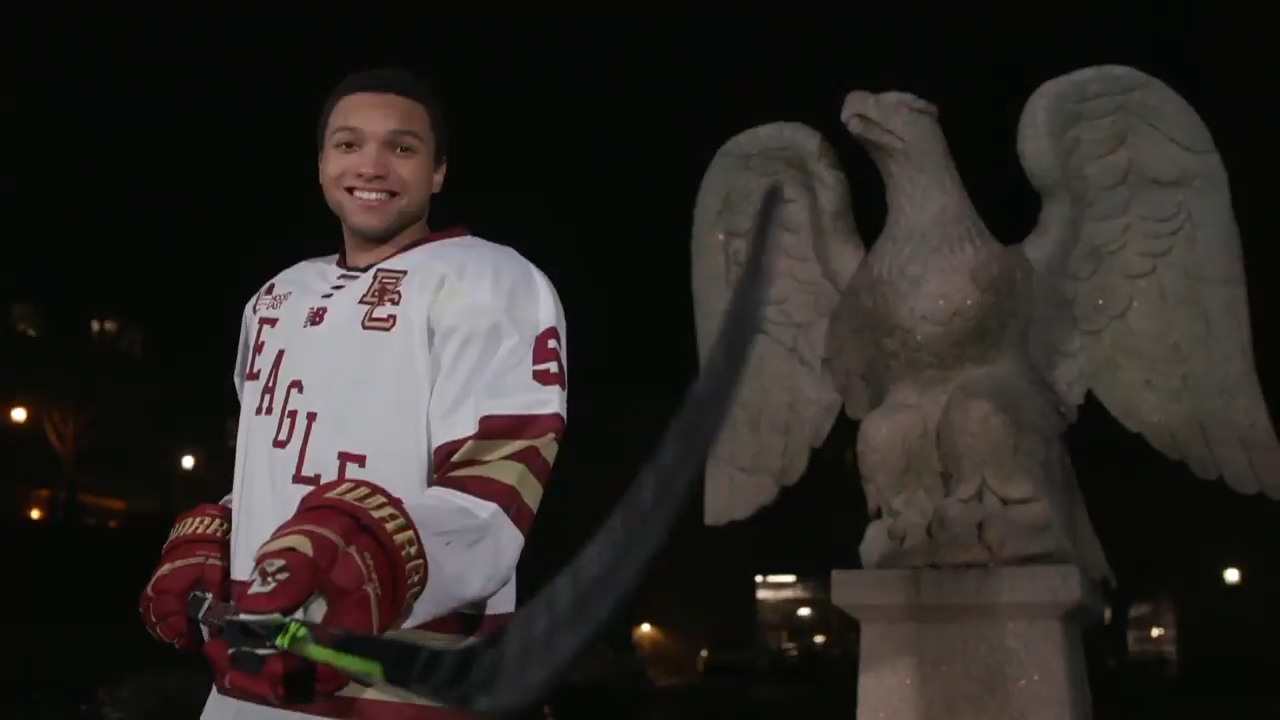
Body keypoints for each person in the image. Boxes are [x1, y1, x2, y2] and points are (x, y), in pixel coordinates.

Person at [138, 67, 568, 720]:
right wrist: (226, 534)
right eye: (348, 144)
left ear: (438, 172)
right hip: (253, 673)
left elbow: (499, 484)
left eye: (402, 147)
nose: (372, 164)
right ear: (320, 166)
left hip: (405, 680)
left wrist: (378, 550)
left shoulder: (491, 281)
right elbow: (277, 464)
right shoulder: (275, 298)